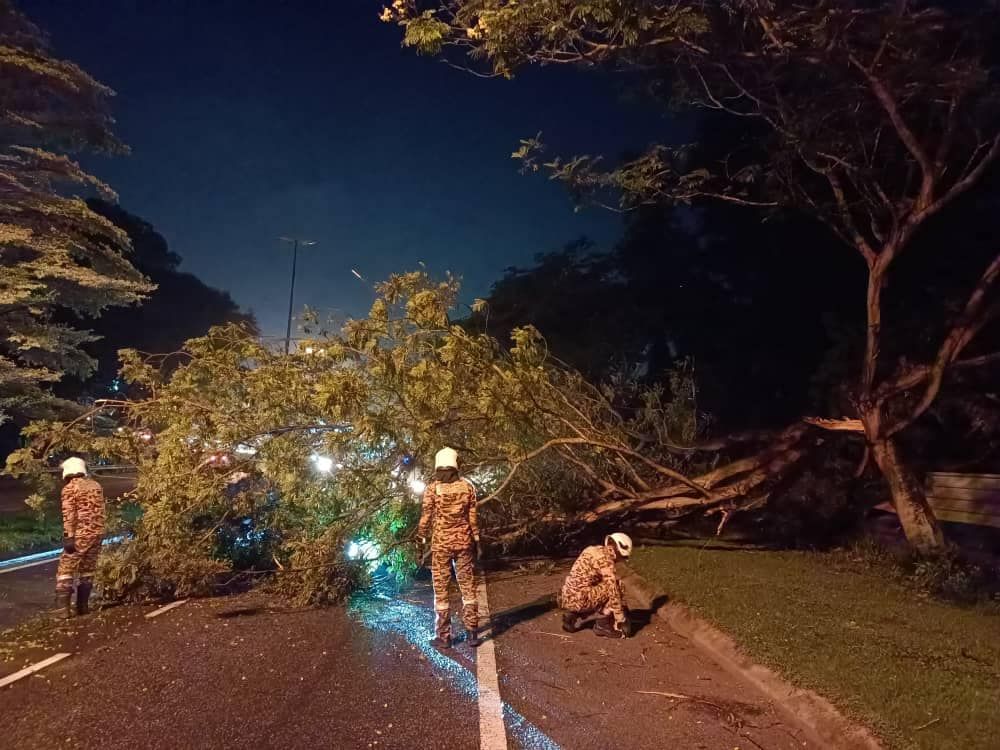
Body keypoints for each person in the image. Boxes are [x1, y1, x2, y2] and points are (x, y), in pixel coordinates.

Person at [417, 447, 481, 649]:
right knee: (467, 586)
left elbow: (426, 519)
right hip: (464, 544)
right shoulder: (468, 487)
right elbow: (473, 519)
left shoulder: (432, 489)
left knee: (441, 590)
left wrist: (420, 542)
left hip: (441, 546)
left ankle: (444, 636)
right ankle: (472, 633)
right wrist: (477, 540)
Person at [52, 457, 106, 619]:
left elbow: (69, 515)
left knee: (65, 568)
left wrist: (68, 536)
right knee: (88, 569)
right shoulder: (96, 485)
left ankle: (63, 610)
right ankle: (83, 607)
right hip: (98, 533)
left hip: (81, 534)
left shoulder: (69, 489)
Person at [559, 533, 633, 639]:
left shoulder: (591, 550)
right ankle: (603, 624)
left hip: (567, 596)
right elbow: (613, 591)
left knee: (597, 584)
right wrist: (620, 618)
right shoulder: (606, 562)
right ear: (618, 550)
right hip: (581, 599)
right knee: (618, 585)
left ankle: (573, 615)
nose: (622, 560)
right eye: (624, 557)